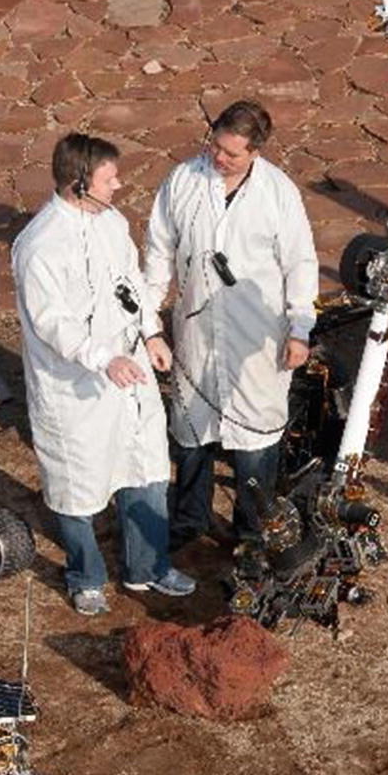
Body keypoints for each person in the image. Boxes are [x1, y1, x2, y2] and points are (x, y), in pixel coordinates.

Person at [13, 133, 196, 615]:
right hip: (75, 389)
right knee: (78, 485)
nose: (119, 184)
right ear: (79, 183)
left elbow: (129, 286)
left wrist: (151, 333)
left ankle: (148, 568)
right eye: (109, 178)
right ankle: (85, 575)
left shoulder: (112, 223)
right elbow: (53, 323)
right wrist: (103, 359)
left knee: (148, 469)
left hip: (129, 374)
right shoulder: (40, 246)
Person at [142, 100, 319, 557]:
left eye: (232, 154)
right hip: (197, 333)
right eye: (217, 146)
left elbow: (300, 263)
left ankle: (252, 530)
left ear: (255, 152)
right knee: (192, 431)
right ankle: (189, 519)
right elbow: (158, 254)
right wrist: (149, 323)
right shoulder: (182, 181)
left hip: (257, 339)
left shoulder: (279, 194)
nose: (220, 158)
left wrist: (300, 327)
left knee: (255, 440)